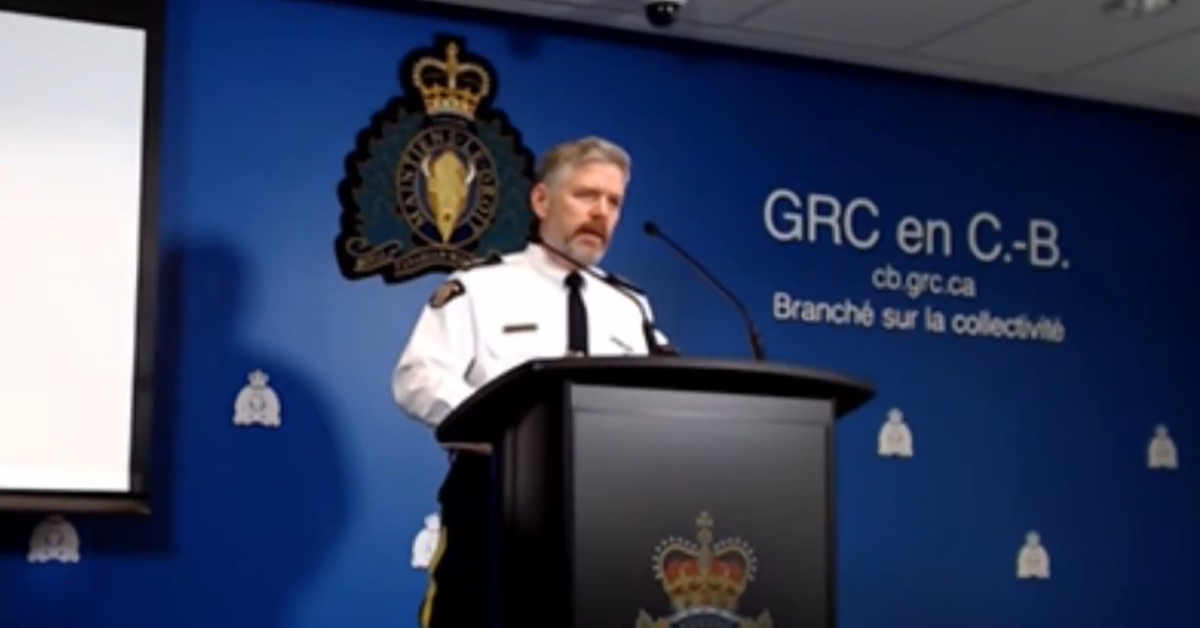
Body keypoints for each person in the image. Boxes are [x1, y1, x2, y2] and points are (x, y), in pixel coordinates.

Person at [392, 136, 673, 628]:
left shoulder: (630, 305)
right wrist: (510, 429)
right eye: (586, 195)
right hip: (498, 499)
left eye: (614, 202)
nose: (601, 213)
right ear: (542, 200)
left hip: (606, 509)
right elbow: (417, 378)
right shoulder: (481, 287)